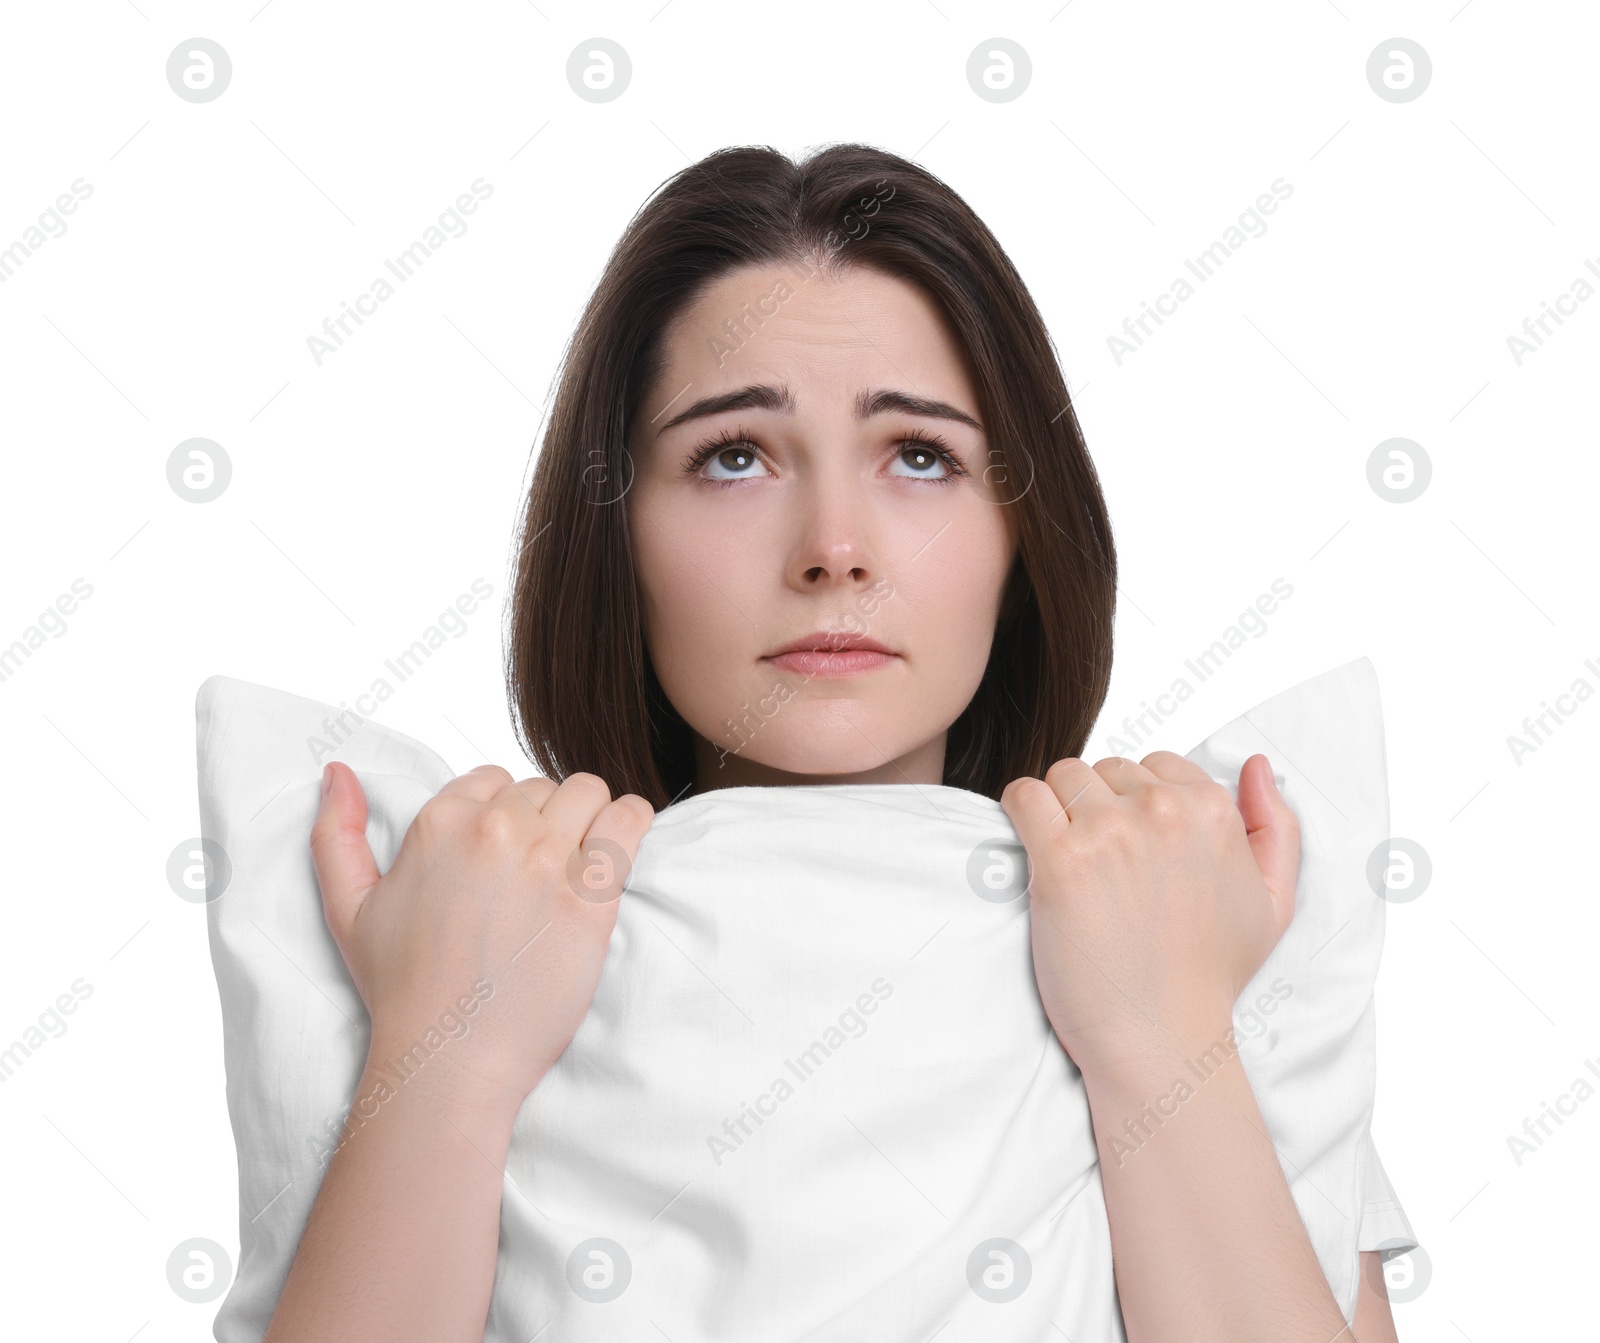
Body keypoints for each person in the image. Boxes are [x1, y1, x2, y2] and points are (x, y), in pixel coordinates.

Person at [273, 143, 1402, 1341]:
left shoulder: (1201, 914)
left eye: (920, 456)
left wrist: (1163, 1036)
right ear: (618, 538)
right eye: (734, 456)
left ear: (1021, 542)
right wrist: (446, 1053)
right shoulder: (444, 925)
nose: (834, 547)